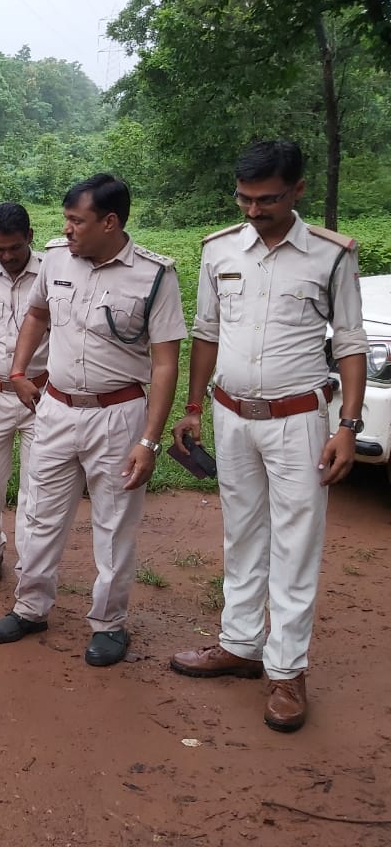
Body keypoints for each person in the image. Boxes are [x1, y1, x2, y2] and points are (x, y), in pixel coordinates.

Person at [169, 140, 367, 732]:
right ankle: (239, 643)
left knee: (296, 544)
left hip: (300, 421)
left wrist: (348, 427)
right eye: (245, 198)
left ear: (298, 191)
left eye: (269, 199)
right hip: (231, 417)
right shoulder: (219, 250)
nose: (254, 210)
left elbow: (350, 343)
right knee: (243, 531)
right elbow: (206, 332)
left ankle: (286, 671)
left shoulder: (330, 256)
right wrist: (193, 406)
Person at [0, 174, 185, 666]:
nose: (67, 229)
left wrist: (150, 441)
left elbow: (164, 363)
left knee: (114, 525)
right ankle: (31, 607)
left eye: (77, 220)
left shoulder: (154, 275)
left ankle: (109, 624)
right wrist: (17, 370)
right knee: (39, 514)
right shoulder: (55, 258)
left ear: (109, 222)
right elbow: (37, 315)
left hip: (118, 416)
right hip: (55, 409)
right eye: (66, 219)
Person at [0, 202, 48, 582]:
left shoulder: (53, 273)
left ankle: (30, 561)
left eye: (14, 248)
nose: (6, 256)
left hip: (41, 394)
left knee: (37, 484)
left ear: (29, 238)